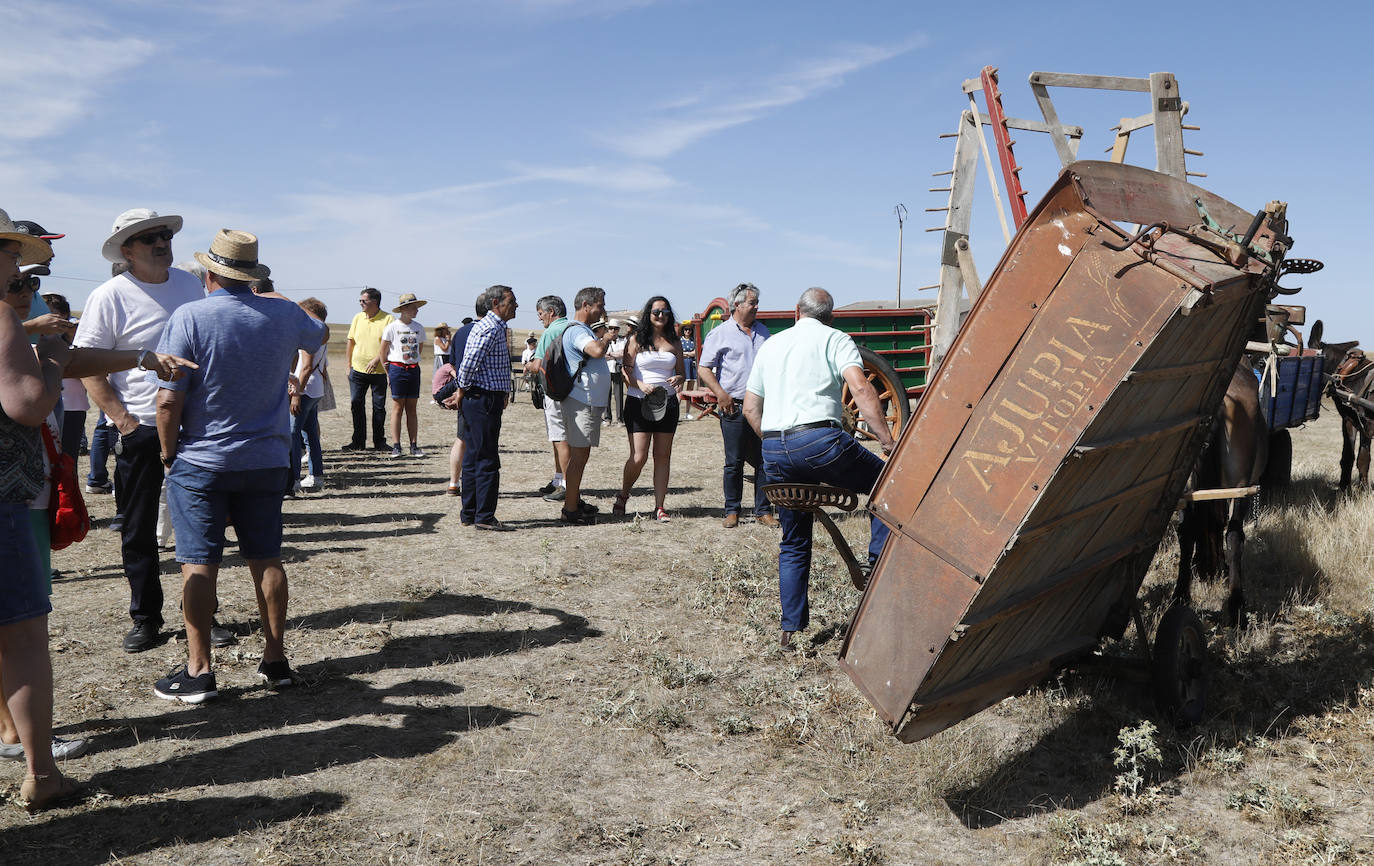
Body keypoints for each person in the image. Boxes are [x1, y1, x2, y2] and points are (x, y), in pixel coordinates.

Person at [153, 229, 326, 702]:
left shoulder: (190, 316)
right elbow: (320, 332)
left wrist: (168, 455)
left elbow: (168, 401)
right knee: (266, 559)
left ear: (209, 273)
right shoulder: (284, 313)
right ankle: (275, 659)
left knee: (198, 564)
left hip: (203, 459)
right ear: (251, 274)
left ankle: (199, 670)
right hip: (268, 456)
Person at [74, 208, 224, 653]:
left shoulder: (190, 285)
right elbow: (88, 366)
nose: (162, 242)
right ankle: (147, 617)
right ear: (127, 251)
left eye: (164, 234)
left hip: (194, 427)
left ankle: (202, 616)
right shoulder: (109, 296)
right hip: (139, 427)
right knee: (138, 529)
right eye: (149, 238)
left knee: (198, 527)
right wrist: (125, 422)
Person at [743, 288, 897, 650]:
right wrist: (887, 440)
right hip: (820, 442)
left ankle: (790, 630)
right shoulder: (836, 339)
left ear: (797, 311)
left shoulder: (772, 345)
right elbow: (860, 388)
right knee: (889, 483)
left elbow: (750, 409)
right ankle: (876, 569)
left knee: (794, 541)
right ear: (831, 316)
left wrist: (777, 443)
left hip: (775, 449)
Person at [0, 210, 80, 810]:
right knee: (24, 635)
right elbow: (28, 403)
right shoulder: (2, 316)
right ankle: (43, 775)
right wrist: (50, 352)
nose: (15, 267)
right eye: (9, 252)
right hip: (4, 500)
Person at [697, 283, 778, 528]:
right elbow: (703, 368)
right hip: (733, 406)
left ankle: (763, 511)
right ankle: (732, 511)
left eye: (756, 303)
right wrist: (721, 394)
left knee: (765, 459)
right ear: (737, 305)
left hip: (761, 407)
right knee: (734, 462)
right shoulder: (720, 333)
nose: (756, 307)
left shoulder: (764, 332)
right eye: (752, 303)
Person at [449, 285, 518, 530]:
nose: (516, 306)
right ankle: (484, 517)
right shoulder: (490, 327)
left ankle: (470, 513)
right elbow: (468, 364)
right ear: (496, 304)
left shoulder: (494, 327)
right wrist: (462, 389)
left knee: (474, 456)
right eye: (512, 302)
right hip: (482, 400)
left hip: (482, 398)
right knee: (486, 458)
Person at [614, 296, 685, 522]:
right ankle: (623, 496)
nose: (660, 316)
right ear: (649, 314)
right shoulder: (636, 339)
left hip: (667, 403)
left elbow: (682, 372)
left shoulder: (675, 341)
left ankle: (660, 507)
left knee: (663, 456)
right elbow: (626, 371)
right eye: (656, 312)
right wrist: (639, 384)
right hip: (638, 402)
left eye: (664, 312)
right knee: (639, 456)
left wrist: (678, 378)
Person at [555, 287, 618, 525]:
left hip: (584, 402)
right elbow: (596, 351)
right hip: (582, 402)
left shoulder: (580, 330)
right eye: (600, 305)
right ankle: (570, 509)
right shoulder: (578, 331)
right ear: (586, 306)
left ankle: (573, 502)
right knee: (579, 456)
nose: (603, 310)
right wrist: (607, 338)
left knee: (580, 455)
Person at [436, 294, 488, 496]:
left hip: (464, 392)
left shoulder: (461, 333)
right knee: (482, 443)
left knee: (462, 438)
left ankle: (454, 483)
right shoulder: (490, 330)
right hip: (482, 394)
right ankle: (475, 487)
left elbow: (454, 365)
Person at [528, 296, 569, 501]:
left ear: (551, 312)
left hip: (554, 392)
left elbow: (536, 366)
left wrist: (528, 366)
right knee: (559, 437)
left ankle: (565, 484)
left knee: (559, 438)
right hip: (571, 391)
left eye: (541, 314)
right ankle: (558, 478)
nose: (540, 318)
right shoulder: (572, 327)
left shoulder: (550, 331)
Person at [343, 287, 393, 452]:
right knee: (356, 405)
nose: (361, 303)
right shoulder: (358, 317)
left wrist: (377, 359)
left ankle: (379, 442)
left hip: (379, 371)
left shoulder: (388, 319)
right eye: (360, 301)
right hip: (357, 371)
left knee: (379, 408)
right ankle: (358, 442)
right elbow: (351, 342)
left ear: (375, 302)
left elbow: (390, 345)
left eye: (364, 301)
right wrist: (348, 365)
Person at [379, 293, 427, 458]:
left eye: (417, 308)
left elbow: (419, 349)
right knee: (397, 408)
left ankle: (414, 445)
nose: (416, 311)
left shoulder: (419, 327)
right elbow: (382, 352)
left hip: (413, 370)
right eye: (414, 308)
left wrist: (412, 362)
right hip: (397, 369)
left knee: (412, 409)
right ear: (404, 309)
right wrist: (388, 373)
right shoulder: (392, 327)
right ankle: (397, 446)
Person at [290, 298, 330, 492]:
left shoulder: (311, 334)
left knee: (293, 434)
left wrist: (296, 393)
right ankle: (316, 475)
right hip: (315, 389)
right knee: (311, 434)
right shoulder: (322, 333)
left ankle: (293, 479)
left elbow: (305, 366)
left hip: (305, 389)